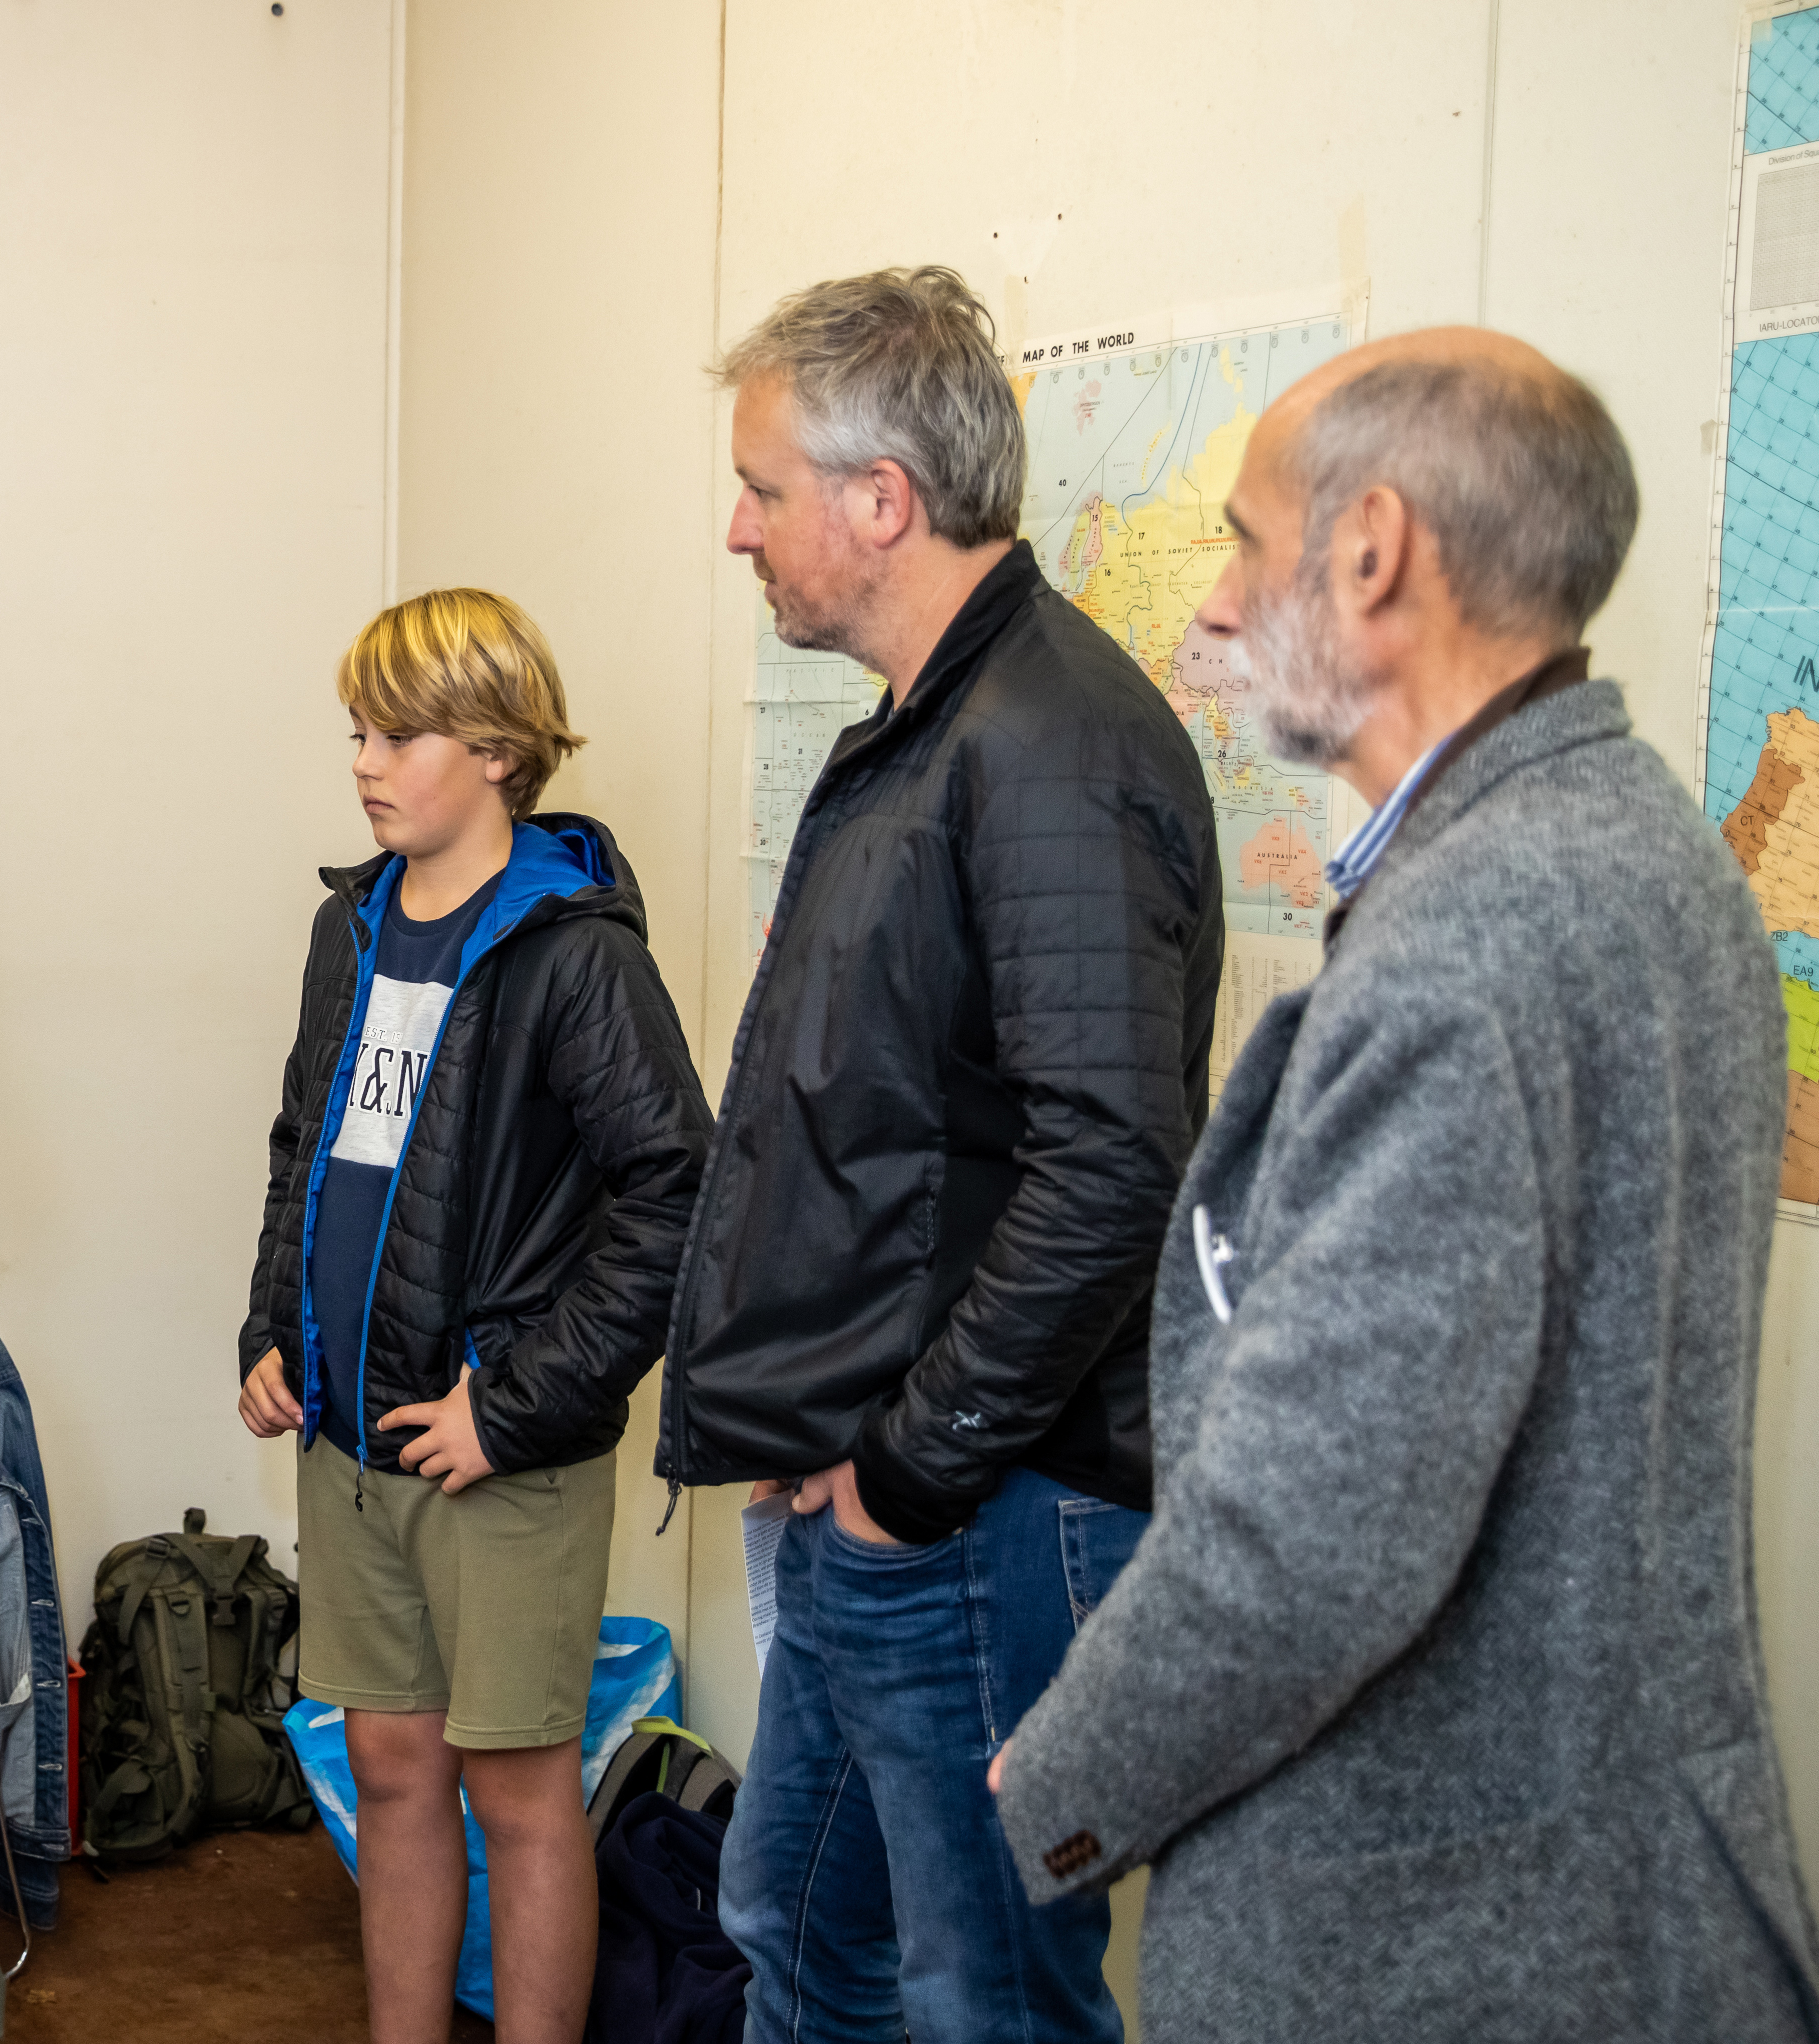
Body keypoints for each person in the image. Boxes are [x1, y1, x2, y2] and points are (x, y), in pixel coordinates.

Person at [989, 331, 1819, 2042]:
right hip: (1588, 1904)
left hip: (1445, 1941)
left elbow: (1312, 1540)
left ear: (1370, 553)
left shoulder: (1475, 941)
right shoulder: (1641, 850)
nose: (1212, 607)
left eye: (1242, 540)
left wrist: (1057, 1780)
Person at [655, 267, 1224, 2043]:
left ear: (880, 500)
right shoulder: (928, 728)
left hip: (984, 1514)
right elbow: (898, 1128)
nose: (732, 527)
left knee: (991, 1994)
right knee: (798, 1926)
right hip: (882, 1492)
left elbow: (1110, 1167)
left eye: (760, 487)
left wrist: (904, 1470)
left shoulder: (1048, 742)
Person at [236, 588, 710, 2044]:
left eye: (402, 733)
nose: (367, 761)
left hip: (501, 1453)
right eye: (359, 731)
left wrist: (512, 1406)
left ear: (500, 749)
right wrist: (269, 1327)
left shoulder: (575, 953)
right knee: (390, 1764)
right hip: (352, 1436)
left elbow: (675, 1193)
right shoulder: (353, 925)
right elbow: (305, 1140)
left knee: (519, 1788)